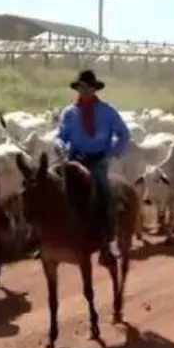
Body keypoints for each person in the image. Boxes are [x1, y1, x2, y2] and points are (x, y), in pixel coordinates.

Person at [54, 69, 131, 266]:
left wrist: (111, 152)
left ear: (94, 89)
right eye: (81, 87)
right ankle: (50, 239)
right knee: (53, 190)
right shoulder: (69, 113)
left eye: (87, 87)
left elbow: (123, 133)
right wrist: (59, 144)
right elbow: (61, 135)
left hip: (98, 161)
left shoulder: (107, 111)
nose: (84, 91)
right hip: (74, 159)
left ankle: (108, 242)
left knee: (104, 194)